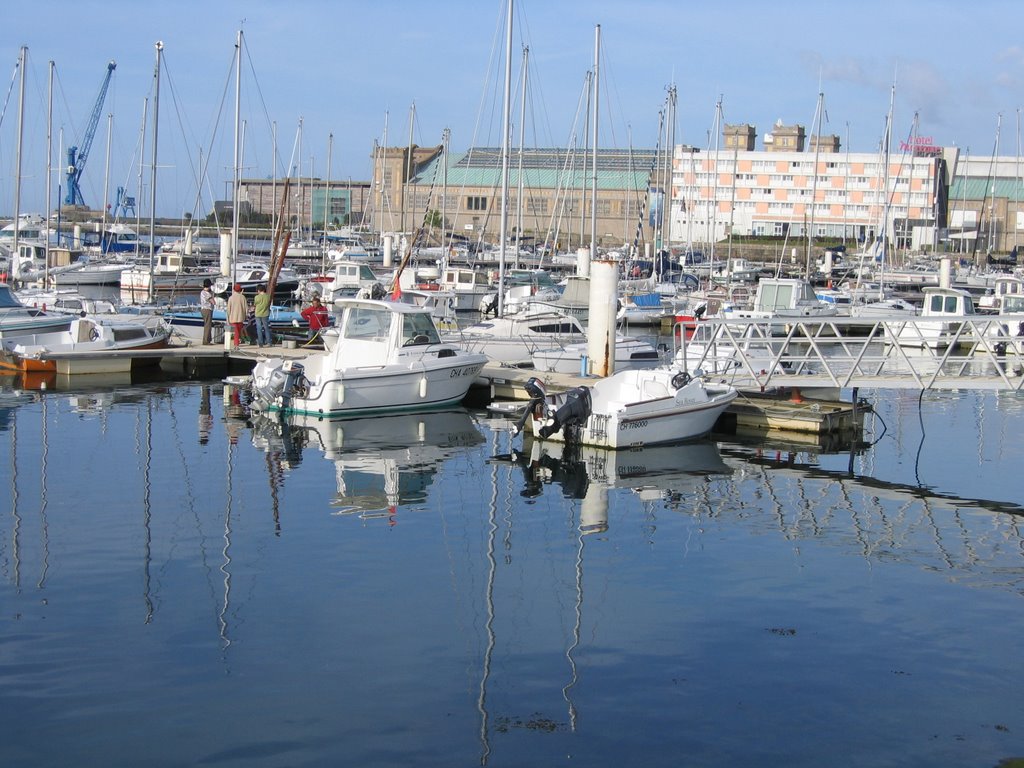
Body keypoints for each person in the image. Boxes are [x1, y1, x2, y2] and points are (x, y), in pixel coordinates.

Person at [226, 283, 248, 348]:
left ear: (234, 290)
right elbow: (246, 308)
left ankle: (236, 344)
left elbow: (228, 310)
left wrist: (227, 319)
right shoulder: (243, 297)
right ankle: (237, 343)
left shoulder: (231, 298)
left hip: (233, 318)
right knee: (238, 331)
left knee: (236, 332)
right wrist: (245, 316)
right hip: (241, 318)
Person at [199, 279, 216, 345]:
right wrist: (212, 294)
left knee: (207, 324)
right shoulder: (207, 293)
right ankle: (206, 341)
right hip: (207, 310)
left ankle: (208, 340)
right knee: (208, 326)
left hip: (203, 309)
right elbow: (213, 302)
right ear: (209, 286)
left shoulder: (202, 292)